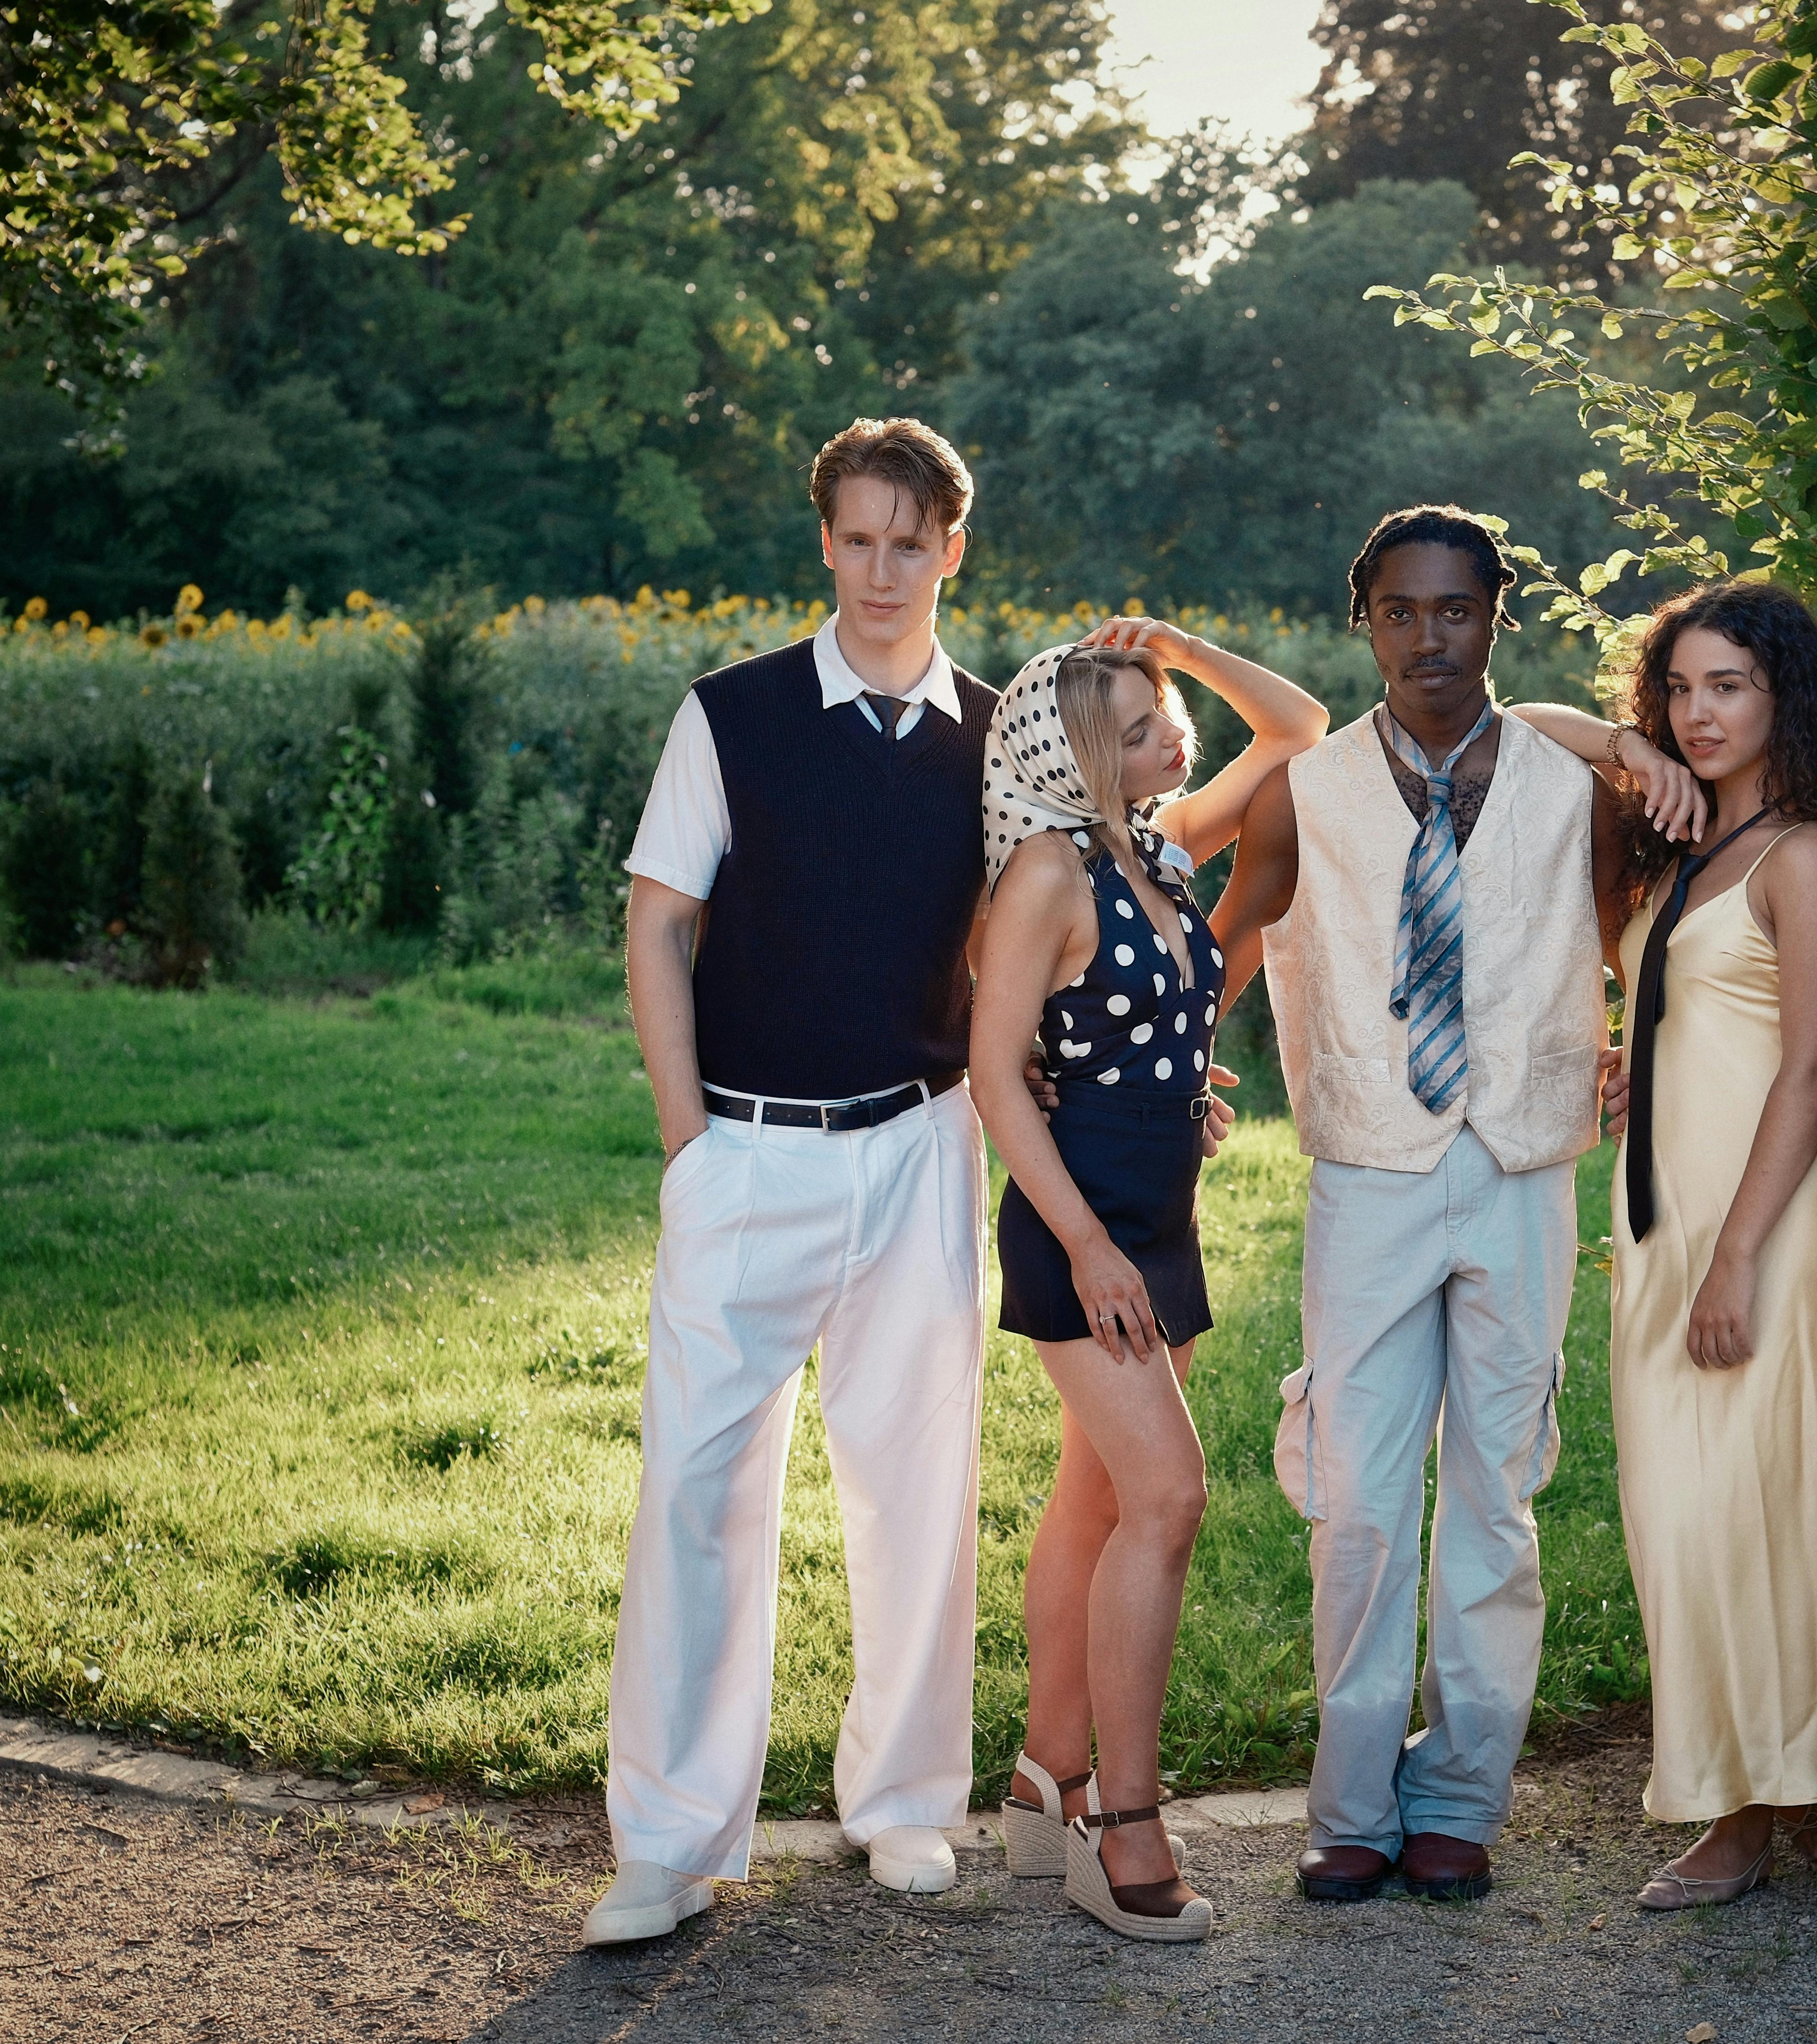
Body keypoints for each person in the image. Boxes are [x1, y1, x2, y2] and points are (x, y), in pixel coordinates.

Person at [1210, 503, 1703, 1904]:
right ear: (1365, 619)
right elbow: (1232, 945)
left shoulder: (1577, 780)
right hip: (1367, 1168)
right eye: (1403, 610)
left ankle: (1463, 1797)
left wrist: (1631, 1046)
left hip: (1521, 1169)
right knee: (1361, 1499)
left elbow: (1627, 943)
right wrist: (1167, 1074)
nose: (1433, 636)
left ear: (1498, 619)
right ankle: (1353, 1803)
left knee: (1500, 1492)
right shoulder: (1302, 791)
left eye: (1459, 609)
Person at [587, 418, 1002, 1944]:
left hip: (916, 1142)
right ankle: (674, 1837)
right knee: (697, 1488)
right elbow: (655, 925)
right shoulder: (733, 715)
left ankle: (903, 1805)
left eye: (914, 541)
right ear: (825, 542)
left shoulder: (998, 732)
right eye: (859, 538)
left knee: (916, 1488)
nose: (884, 568)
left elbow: (1038, 942)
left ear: (952, 551)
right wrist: (690, 1143)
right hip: (745, 1153)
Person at [969, 622, 1328, 1941]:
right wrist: (1088, 1243)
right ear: (1072, 758)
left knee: (1098, 1497)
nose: (1170, 739)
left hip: (1157, 1215)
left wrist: (1178, 645)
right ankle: (1120, 1815)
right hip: (1085, 1234)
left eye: (1165, 711)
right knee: (1169, 1497)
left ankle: (1040, 1770)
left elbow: (1297, 729)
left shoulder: (1159, 851)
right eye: (1132, 729)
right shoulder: (1050, 875)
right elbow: (996, 1074)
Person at [1599, 581, 1817, 1910]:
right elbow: (1530, 721)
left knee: (1755, 1514)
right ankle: (1770, 1782)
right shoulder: (1673, 851)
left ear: (1785, 696)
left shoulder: (1799, 852)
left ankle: (1755, 1802)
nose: (1699, 711)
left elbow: (1811, 1068)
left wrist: (1737, 1257)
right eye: (1678, 689)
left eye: (1728, 685)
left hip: (1763, 1232)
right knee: (1679, 1522)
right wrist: (1630, 755)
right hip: (1655, 1226)